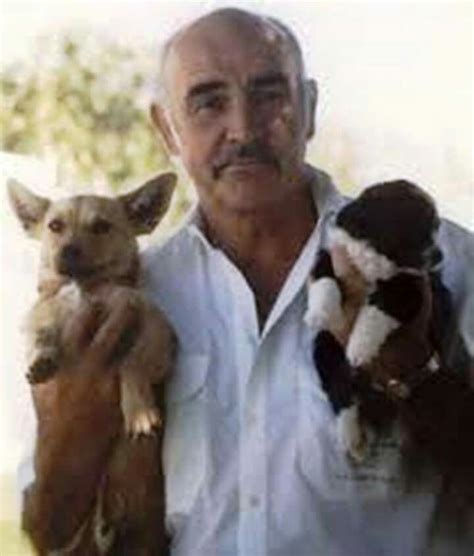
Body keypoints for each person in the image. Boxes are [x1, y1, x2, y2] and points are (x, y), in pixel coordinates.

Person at [20, 8, 473, 555]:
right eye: (208, 102)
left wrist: (413, 374)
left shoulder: (438, 260)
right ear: (168, 129)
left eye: (269, 93)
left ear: (309, 109)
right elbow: (50, 530)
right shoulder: (134, 297)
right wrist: (73, 421)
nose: (243, 128)